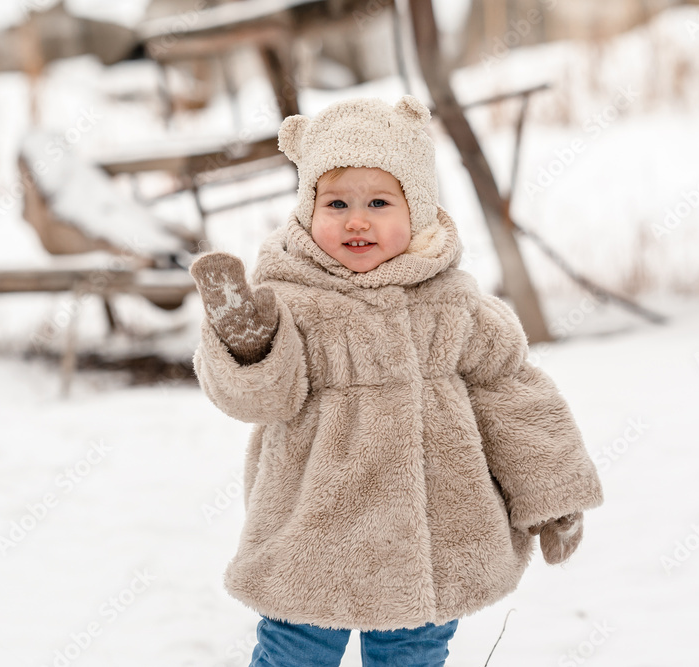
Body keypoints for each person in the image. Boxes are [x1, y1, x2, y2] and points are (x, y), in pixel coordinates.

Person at [188, 96, 603, 666]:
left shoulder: (453, 302)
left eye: (379, 201)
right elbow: (265, 399)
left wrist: (552, 490)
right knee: (296, 647)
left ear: (419, 210)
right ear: (309, 211)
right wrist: (252, 348)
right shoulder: (291, 302)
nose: (356, 220)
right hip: (318, 526)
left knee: (413, 649)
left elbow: (511, 393)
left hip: (434, 531)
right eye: (336, 203)